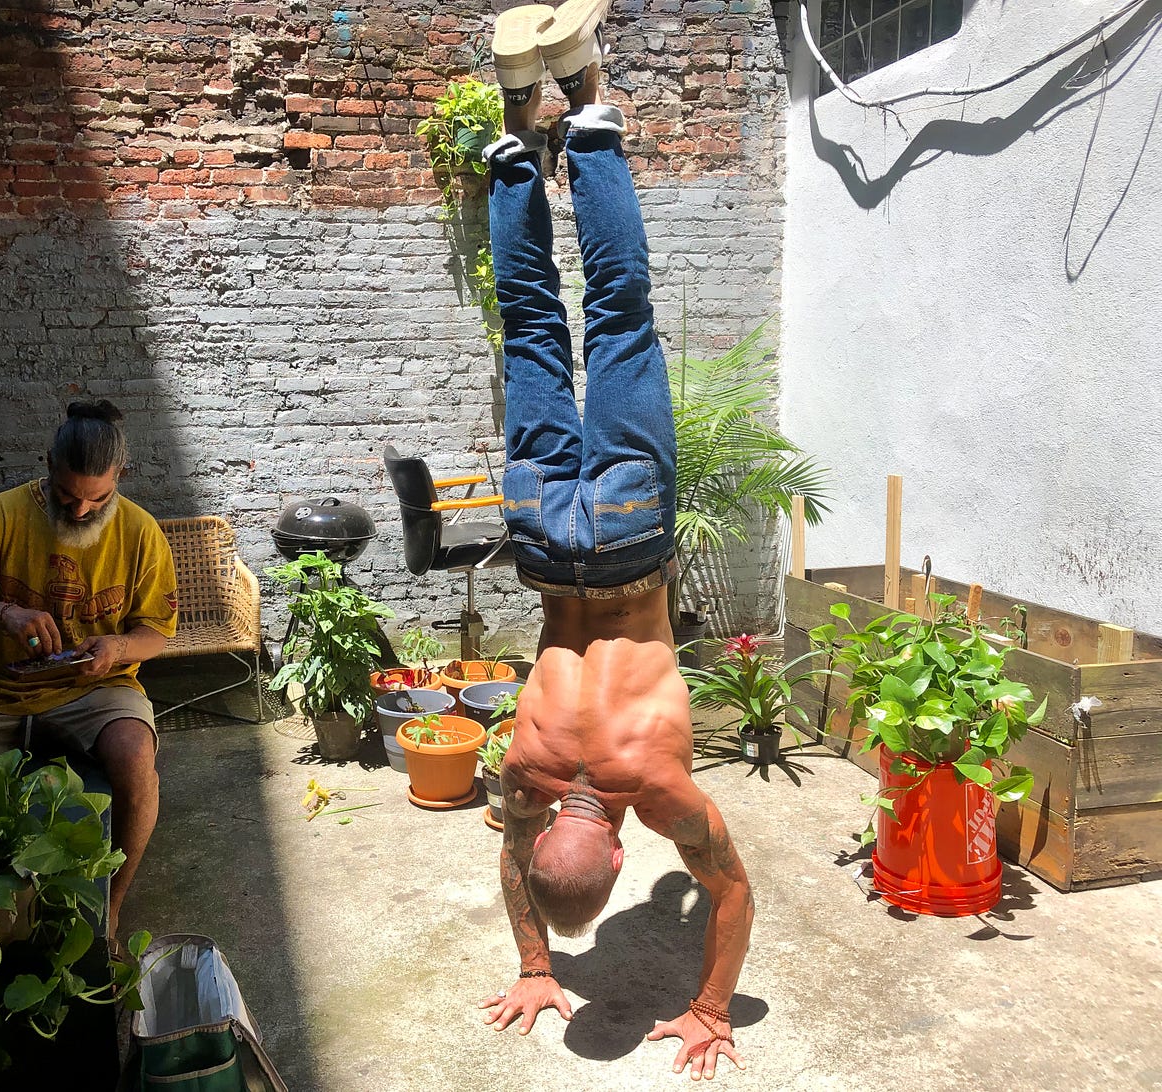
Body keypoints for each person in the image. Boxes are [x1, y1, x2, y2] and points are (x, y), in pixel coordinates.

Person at [475, 1, 755, 1082]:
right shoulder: (524, 771)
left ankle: (586, 105)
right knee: (535, 328)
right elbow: (514, 863)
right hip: (547, 538)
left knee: (622, 316)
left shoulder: (654, 785)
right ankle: (516, 124)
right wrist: (538, 958)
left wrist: (713, 1011)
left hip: (633, 544)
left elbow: (729, 890)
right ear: (553, 825)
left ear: (619, 845)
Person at [0, 399, 177, 942]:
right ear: (48, 465)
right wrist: (1, 613)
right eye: (68, 495)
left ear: (120, 477)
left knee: (136, 758)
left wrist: (117, 647)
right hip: (3, 693)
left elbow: (157, 633)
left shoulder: (141, 532)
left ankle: (112, 907)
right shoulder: (1, 516)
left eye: (98, 498)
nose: (81, 510)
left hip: (100, 688)